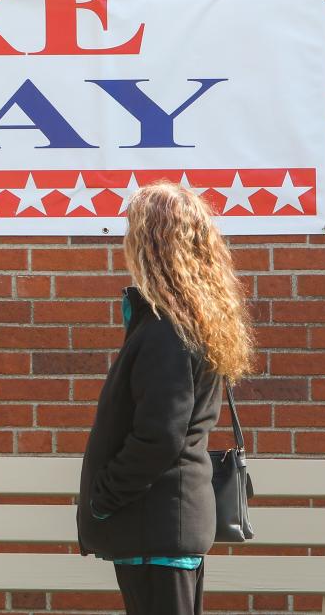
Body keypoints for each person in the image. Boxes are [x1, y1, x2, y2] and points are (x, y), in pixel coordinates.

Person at [76, 180, 257, 615]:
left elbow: (160, 436)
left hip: (155, 526)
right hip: (165, 523)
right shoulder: (190, 322)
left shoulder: (166, 331)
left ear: (151, 244)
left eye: (132, 233)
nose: (125, 243)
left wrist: (103, 497)